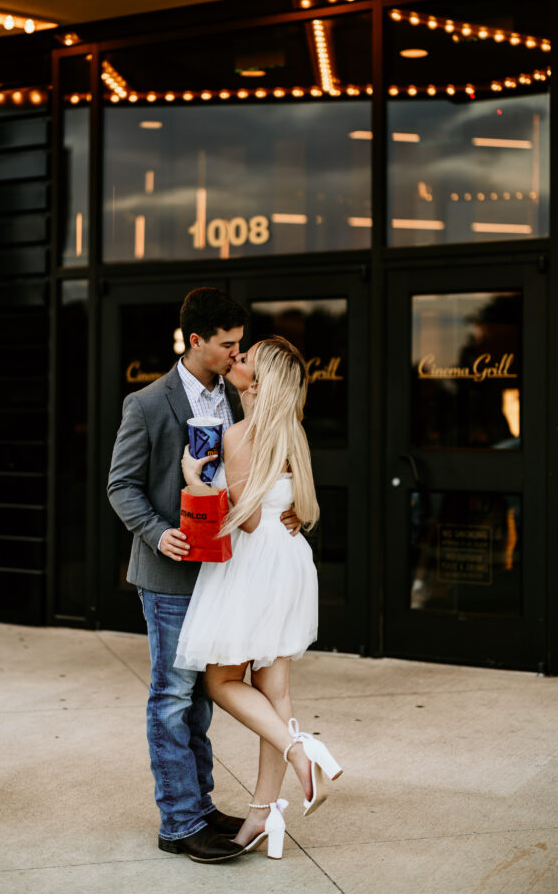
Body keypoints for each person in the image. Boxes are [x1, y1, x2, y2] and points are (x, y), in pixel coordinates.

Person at [106, 288, 300, 864]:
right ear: (196, 342)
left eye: (240, 346)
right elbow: (121, 486)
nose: (237, 355)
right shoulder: (145, 405)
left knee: (200, 705)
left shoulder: (243, 398)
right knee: (171, 698)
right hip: (169, 575)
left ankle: (200, 806)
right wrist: (155, 529)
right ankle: (179, 823)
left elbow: (266, 464)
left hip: (227, 576)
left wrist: (283, 506)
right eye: (228, 346)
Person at [176, 337, 342, 860]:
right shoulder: (292, 431)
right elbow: (298, 507)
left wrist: (196, 479)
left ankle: (300, 750)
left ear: (260, 379)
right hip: (289, 558)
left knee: (221, 680)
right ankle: (261, 816)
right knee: (275, 694)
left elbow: (245, 518)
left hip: (254, 564)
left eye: (246, 359)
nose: (237, 360)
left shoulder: (241, 434)